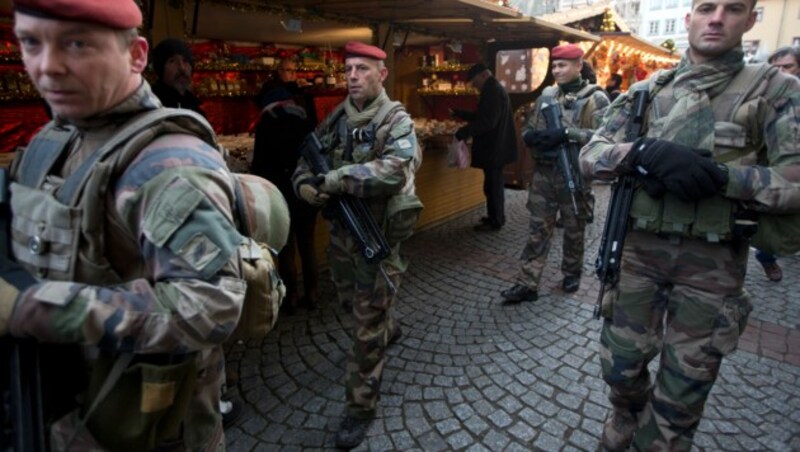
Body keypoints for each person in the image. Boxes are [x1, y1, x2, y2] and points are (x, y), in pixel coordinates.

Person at [2, 0, 250, 449]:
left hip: (141, 421)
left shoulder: (168, 165)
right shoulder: (52, 138)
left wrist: (34, 309)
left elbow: (210, 305)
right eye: (30, 43)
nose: (47, 66)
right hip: (56, 412)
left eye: (76, 44)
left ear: (136, 55)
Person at [579, 0, 800, 448]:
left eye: (732, 8)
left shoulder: (776, 90)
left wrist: (724, 178)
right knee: (620, 367)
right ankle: (627, 411)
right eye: (705, 8)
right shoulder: (647, 91)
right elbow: (590, 155)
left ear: (750, 20)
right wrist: (638, 153)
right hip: (637, 257)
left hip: (713, 269)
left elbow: (794, 182)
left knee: (683, 390)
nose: (716, 18)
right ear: (689, 19)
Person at [292, 41, 422, 449]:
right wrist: (305, 188)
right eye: (348, 69)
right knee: (353, 306)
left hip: (376, 235)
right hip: (343, 241)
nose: (352, 76)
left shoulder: (394, 120)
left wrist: (335, 179)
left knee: (365, 330)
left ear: (381, 75)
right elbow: (304, 162)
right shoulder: (335, 120)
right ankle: (387, 323)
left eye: (362, 69)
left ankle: (360, 407)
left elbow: (395, 170)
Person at [501, 44, 610, 303]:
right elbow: (529, 128)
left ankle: (571, 273)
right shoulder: (547, 96)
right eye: (554, 66)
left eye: (563, 65)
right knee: (537, 229)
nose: (557, 70)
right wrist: (533, 138)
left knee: (574, 229)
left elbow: (606, 138)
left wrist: (567, 134)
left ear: (578, 66)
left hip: (574, 175)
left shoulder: (596, 98)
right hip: (544, 175)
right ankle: (527, 283)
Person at [251, 87, 319, 312]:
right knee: (308, 246)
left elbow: (259, 167)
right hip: (306, 192)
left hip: (280, 195)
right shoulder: (305, 122)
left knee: (286, 248)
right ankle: (312, 294)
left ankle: (290, 298)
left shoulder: (265, 126)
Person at [751, 46, 800, 282]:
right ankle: (767, 258)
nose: (781, 72)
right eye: (776, 67)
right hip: (770, 170)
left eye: (787, 66)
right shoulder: (762, 95)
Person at [452, 63, 518, 231]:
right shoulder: (493, 89)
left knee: (493, 185)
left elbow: (488, 121)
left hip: (495, 148)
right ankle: (495, 217)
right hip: (496, 147)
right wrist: (460, 113)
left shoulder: (493, 91)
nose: (474, 86)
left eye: (474, 82)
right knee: (492, 185)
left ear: (483, 75)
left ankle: (496, 220)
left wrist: (464, 132)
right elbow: (484, 116)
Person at [151, 37, 205, 115]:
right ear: (160, 69)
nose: (182, 68)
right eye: (172, 61)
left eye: (185, 61)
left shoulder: (196, 108)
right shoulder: (152, 106)